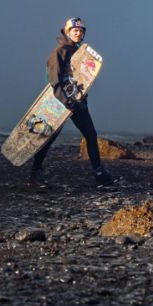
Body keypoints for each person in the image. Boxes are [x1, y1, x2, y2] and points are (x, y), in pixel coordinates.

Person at [30, 17, 114, 187]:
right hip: (59, 103)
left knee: (91, 134)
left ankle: (99, 171)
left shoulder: (80, 53)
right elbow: (54, 81)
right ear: (67, 32)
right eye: (75, 30)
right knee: (48, 138)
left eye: (81, 30)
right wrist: (64, 100)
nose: (78, 33)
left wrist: (79, 98)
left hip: (77, 102)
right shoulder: (58, 52)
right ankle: (35, 173)